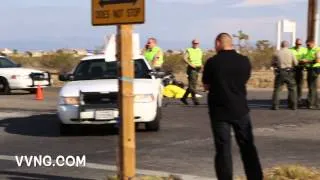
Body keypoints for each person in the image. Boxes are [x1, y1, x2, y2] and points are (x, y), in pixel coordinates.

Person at [202, 33, 263, 180]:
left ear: (218, 43)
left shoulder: (212, 62)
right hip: (240, 109)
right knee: (247, 146)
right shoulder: (244, 61)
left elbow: (206, 85)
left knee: (223, 150)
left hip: (219, 111)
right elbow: (245, 79)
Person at [271, 40, 298, 110]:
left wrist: (276, 67)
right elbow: (296, 63)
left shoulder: (277, 53)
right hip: (289, 72)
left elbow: (272, 63)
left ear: (281, 45)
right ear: (287, 45)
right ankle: (294, 105)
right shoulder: (291, 52)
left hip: (280, 72)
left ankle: (275, 105)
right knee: (292, 89)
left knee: (277, 89)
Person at [180, 39, 203, 105]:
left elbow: (199, 59)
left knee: (193, 85)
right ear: (192, 43)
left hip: (198, 68)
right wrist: (190, 64)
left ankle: (184, 98)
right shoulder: (189, 50)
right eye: (195, 43)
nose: (196, 44)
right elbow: (184, 58)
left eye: (197, 43)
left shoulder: (199, 50)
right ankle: (195, 99)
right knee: (192, 86)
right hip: (192, 69)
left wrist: (201, 66)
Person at [302, 39, 320, 109]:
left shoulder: (317, 50)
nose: (307, 46)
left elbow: (318, 60)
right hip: (310, 69)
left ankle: (311, 103)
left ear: (313, 43)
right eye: (306, 45)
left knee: (312, 87)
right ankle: (316, 103)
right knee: (313, 87)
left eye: (308, 45)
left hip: (314, 69)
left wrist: (307, 61)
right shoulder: (308, 50)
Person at [290, 38, 308, 105]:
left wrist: (304, 60)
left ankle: (299, 99)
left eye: (300, 44)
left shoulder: (304, 50)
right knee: (293, 85)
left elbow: (307, 58)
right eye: (297, 44)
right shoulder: (291, 50)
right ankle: (293, 100)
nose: (298, 45)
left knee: (300, 86)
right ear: (295, 43)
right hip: (293, 69)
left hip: (301, 69)